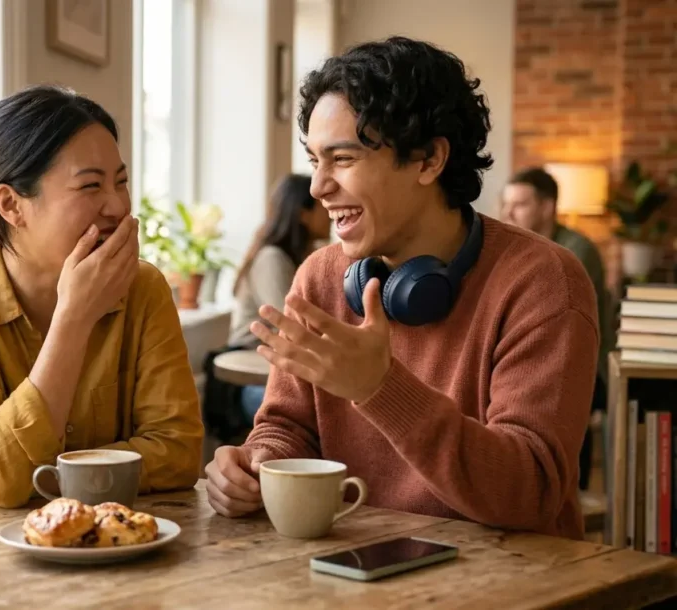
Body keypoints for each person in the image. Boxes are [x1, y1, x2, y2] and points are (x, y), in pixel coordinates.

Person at [204, 36, 599, 541]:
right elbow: (286, 427)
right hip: (355, 561)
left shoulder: (543, 282)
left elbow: (530, 492)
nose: (318, 187)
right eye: (315, 160)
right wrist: (255, 465)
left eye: (342, 158)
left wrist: (380, 388)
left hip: (508, 572)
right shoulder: (320, 278)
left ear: (429, 159)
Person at [0, 85, 204, 517]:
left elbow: (178, 453)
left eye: (121, 182)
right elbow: (0, 472)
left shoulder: (143, 288)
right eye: (90, 185)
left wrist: (48, 483)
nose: (117, 206)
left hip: (104, 544)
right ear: (11, 205)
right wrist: (74, 319)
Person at [501, 167, 614, 490]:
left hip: (586, 365)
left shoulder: (577, 252)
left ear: (547, 207)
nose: (508, 213)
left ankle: (569, 492)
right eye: (506, 204)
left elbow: (549, 316)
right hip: (539, 353)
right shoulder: (517, 248)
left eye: (519, 204)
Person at [228, 174, 330, 422]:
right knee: (319, 415)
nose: (330, 212)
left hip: (279, 370)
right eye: (322, 204)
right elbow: (293, 324)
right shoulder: (272, 259)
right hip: (251, 379)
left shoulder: (306, 256)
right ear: (303, 214)